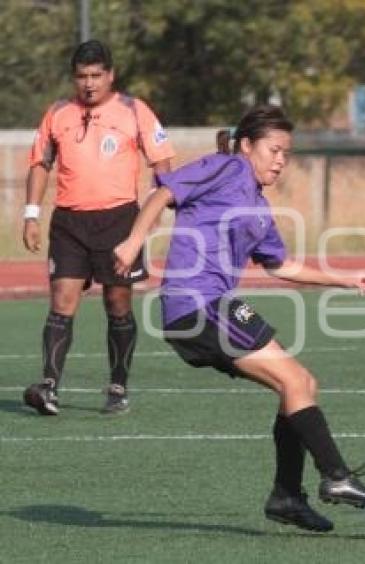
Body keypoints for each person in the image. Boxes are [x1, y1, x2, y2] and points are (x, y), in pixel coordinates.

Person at [113, 104, 365, 533]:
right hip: (194, 304)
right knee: (293, 381)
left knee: (301, 384)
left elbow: (282, 266)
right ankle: (336, 476)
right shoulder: (224, 168)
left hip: (216, 304)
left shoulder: (258, 207)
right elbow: (163, 193)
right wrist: (131, 243)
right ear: (247, 145)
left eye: (286, 154)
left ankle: (287, 496)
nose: (280, 160)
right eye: (274, 150)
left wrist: (344, 280)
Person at [22, 40, 175, 415]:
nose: (89, 83)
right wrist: (31, 214)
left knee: (117, 302)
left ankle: (118, 385)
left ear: (110, 75)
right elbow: (40, 164)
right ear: (74, 78)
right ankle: (49, 386)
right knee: (62, 301)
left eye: (96, 75)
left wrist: (152, 217)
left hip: (119, 220)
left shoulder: (134, 111)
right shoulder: (58, 113)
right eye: (81, 76)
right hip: (69, 223)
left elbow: (163, 164)